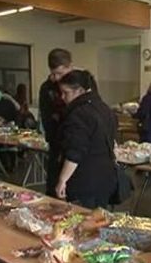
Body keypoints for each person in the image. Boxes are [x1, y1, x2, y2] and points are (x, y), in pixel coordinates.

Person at [55, 70, 117, 209]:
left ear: (80, 91)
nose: (62, 97)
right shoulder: (104, 108)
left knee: (81, 222)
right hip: (105, 176)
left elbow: (75, 151)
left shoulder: (79, 114)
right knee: (97, 219)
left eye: (66, 92)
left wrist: (62, 179)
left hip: (85, 179)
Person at [39, 48, 74, 197]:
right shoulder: (47, 88)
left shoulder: (82, 83)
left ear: (70, 67)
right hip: (56, 145)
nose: (57, 77)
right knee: (54, 191)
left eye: (61, 73)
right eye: (54, 73)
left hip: (77, 143)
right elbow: (47, 119)